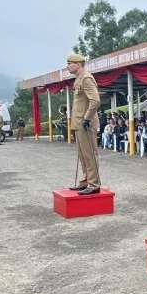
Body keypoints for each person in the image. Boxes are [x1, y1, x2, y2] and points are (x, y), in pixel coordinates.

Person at [66, 53, 101, 195]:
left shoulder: (86, 79)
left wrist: (87, 118)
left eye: (69, 63)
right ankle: (86, 180)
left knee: (89, 154)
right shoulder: (78, 79)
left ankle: (94, 184)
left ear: (78, 64)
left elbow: (95, 100)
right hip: (79, 122)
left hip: (86, 123)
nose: (67, 66)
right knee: (82, 154)